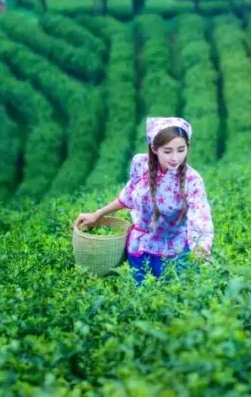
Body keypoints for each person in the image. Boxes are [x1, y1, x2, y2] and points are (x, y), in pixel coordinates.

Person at [75, 117, 214, 283]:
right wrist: (97, 214)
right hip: (139, 250)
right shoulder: (141, 166)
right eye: (168, 151)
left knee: (172, 297)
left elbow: (200, 216)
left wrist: (201, 250)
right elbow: (128, 195)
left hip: (174, 252)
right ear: (154, 149)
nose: (175, 158)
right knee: (141, 299)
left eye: (181, 150)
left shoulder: (192, 180)